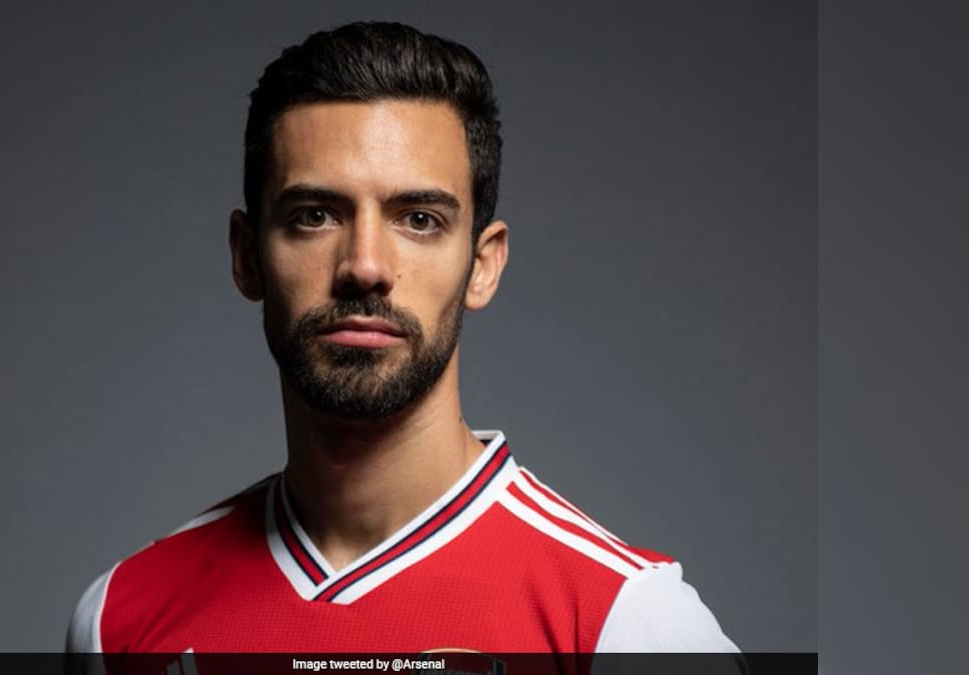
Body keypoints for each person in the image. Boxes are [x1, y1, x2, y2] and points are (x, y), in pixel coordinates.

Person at [66, 21, 740, 660]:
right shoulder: (119, 620)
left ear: (483, 264)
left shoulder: (625, 623)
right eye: (314, 215)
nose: (365, 266)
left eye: (418, 219)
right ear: (247, 256)